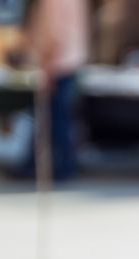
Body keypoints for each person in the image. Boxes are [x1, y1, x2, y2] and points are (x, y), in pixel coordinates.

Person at [21, 0, 88, 182]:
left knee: (54, 119)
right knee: (55, 118)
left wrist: (48, 68)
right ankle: (37, 165)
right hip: (67, 62)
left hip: (58, 65)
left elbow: (56, 33)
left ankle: (62, 166)